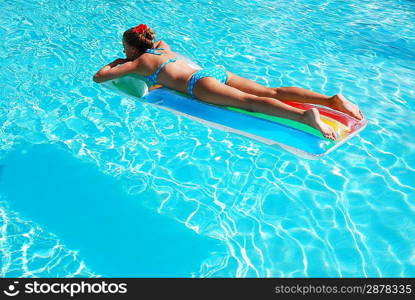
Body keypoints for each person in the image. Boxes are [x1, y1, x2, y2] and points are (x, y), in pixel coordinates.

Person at [93, 24, 363, 140]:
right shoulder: (162, 46)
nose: (125, 52)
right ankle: (330, 100)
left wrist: (118, 61)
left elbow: (99, 77)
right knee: (272, 90)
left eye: (124, 47)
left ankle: (305, 116)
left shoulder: (138, 62)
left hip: (198, 85)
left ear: (131, 47)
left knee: (252, 103)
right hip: (214, 71)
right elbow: (156, 50)